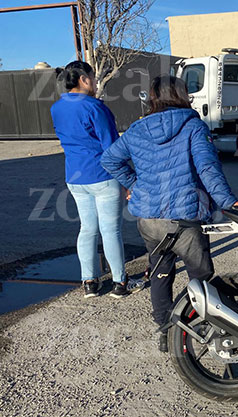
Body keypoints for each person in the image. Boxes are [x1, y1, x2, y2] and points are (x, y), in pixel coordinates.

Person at [101, 75, 238, 352]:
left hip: (149, 219)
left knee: (160, 272)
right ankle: (197, 326)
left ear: (153, 97)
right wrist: (229, 203)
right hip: (185, 218)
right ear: (182, 95)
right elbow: (208, 169)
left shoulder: (137, 129)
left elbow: (109, 159)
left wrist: (135, 184)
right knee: (201, 277)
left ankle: (166, 332)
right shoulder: (193, 126)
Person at [50, 61, 130, 299]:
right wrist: (126, 180)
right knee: (110, 230)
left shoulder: (56, 108)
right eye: (93, 78)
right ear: (84, 80)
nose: (95, 82)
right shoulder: (95, 107)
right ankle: (119, 282)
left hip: (75, 177)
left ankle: (89, 282)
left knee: (87, 229)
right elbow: (112, 147)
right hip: (102, 176)